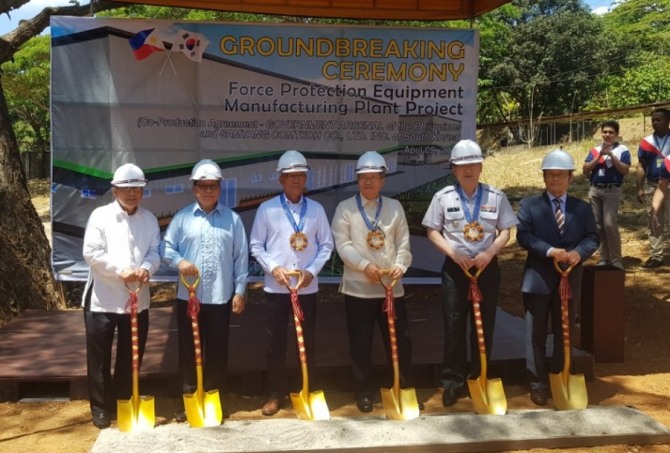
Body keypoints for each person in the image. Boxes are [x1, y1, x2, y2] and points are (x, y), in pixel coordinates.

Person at [421, 139, 517, 407]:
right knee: (453, 326)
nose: (468, 170)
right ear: (453, 169)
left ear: (481, 166)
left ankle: (480, 376)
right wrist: (453, 254)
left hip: (486, 267)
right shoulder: (443, 198)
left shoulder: (496, 197)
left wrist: (490, 253)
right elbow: (432, 231)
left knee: (484, 325)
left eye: (473, 164)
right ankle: (452, 382)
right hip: (456, 268)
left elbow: (506, 231)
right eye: (461, 166)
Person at [162, 159, 248, 422]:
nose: (209, 190)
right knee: (188, 350)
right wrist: (180, 261)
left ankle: (213, 400)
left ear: (220, 188)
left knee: (217, 350)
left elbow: (240, 258)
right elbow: (165, 249)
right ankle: (189, 401)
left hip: (220, 298)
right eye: (203, 186)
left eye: (213, 185)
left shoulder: (233, 220)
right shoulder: (182, 218)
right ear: (194, 188)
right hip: (188, 298)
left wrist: (240, 291)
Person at [249, 150, 334, 416]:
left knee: (307, 341)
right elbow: (256, 245)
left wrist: (311, 271)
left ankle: (305, 388)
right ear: (281, 179)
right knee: (276, 342)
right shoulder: (268, 209)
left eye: (301, 175)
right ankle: (275, 394)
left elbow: (326, 245)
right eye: (291, 176)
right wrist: (274, 268)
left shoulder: (316, 210)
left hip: (306, 287)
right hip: (277, 288)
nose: (297, 180)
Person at [331, 151, 414, 413]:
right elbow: (342, 245)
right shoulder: (345, 208)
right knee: (360, 343)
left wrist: (401, 264)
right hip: (358, 290)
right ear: (357, 180)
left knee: (399, 341)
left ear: (383, 180)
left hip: (391, 289)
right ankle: (363, 391)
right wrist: (364, 266)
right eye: (363, 178)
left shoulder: (394, 207)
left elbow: (403, 243)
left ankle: (401, 386)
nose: (368, 183)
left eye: (373, 178)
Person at [516, 149, 598, 406]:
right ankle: (537, 382)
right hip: (538, 278)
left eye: (560, 176)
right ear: (543, 178)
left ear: (570, 178)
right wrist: (550, 251)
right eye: (550, 176)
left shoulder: (582, 208)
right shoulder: (529, 205)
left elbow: (593, 237)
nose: (555, 181)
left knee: (564, 331)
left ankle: (560, 375)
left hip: (569, 279)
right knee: (536, 334)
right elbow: (524, 236)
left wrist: (578, 254)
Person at [82, 163, 161, 429]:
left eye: (137, 189)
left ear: (142, 191)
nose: (132, 194)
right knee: (99, 357)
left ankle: (123, 400)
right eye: (126, 189)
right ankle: (100, 407)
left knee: (131, 355)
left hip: (138, 301)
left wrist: (146, 268)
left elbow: (154, 252)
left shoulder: (149, 219)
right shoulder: (100, 216)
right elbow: (92, 253)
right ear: (115, 191)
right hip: (102, 299)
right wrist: (120, 271)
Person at [582, 120, 631, 269]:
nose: (607, 135)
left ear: (616, 134)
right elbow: (585, 170)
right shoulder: (595, 150)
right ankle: (604, 257)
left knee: (610, 224)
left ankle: (616, 259)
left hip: (612, 190)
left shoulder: (622, 150)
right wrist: (599, 157)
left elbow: (625, 170)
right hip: (595, 189)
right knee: (598, 226)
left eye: (611, 132)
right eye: (605, 132)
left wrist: (611, 155)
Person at [636, 108, 670, 269]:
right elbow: (641, 165)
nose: (655, 122)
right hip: (652, 185)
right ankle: (656, 256)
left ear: (668, 121)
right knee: (654, 221)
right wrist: (639, 187)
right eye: (653, 120)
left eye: (659, 119)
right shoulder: (646, 142)